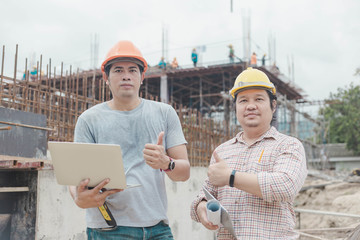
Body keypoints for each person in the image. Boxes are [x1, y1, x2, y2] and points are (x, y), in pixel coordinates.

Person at [70, 40, 190, 240]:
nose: (126, 75)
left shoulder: (164, 113)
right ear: (106, 77)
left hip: (157, 229)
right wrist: (79, 198)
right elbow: (75, 178)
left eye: (132, 70)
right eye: (118, 70)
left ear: (142, 77)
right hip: (108, 230)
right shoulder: (89, 120)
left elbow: (184, 173)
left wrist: (166, 163)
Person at [190, 67, 307, 239]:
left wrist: (231, 177)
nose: (250, 106)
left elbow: (285, 186)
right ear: (236, 107)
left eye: (259, 99)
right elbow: (205, 192)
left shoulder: (288, 146)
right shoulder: (222, 151)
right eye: (243, 100)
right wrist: (201, 206)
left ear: (273, 105)